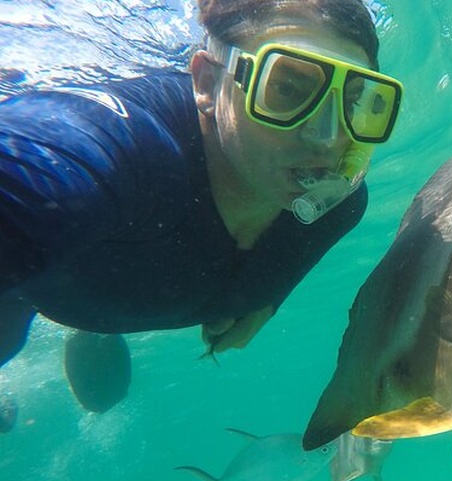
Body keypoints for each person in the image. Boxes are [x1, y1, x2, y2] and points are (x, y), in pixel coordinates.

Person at [0, 0, 403, 413]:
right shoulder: (130, 149)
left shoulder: (338, 206)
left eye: (355, 102)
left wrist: (266, 296)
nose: (327, 137)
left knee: (104, 395)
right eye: (286, 88)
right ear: (207, 83)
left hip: (113, 289)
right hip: (30, 292)